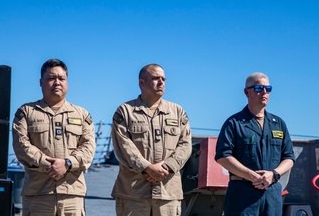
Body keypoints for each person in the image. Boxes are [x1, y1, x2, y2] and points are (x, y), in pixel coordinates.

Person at [12, 59, 96, 216]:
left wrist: (68, 164)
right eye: (51, 78)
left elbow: (88, 148)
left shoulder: (82, 114)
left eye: (62, 78)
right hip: (38, 195)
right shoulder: (26, 112)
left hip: (72, 196)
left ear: (67, 82)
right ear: (41, 82)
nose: (57, 82)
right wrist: (49, 165)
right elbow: (21, 145)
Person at [111, 63, 192, 216]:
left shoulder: (177, 112)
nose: (161, 82)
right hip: (133, 193)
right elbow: (123, 145)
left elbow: (185, 144)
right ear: (142, 82)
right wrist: (147, 167)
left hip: (167, 194)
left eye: (163, 79)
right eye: (156, 78)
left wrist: (167, 167)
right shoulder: (125, 111)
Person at [215, 72, 295, 216]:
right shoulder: (234, 123)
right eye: (259, 88)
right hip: (242, 194)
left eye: (268, 89)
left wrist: (274, 174)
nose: (264, 92)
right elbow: (223, 156)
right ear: (247, 92)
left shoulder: (278, 124)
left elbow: (289, 157)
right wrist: (252, 176)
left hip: (272, 194)